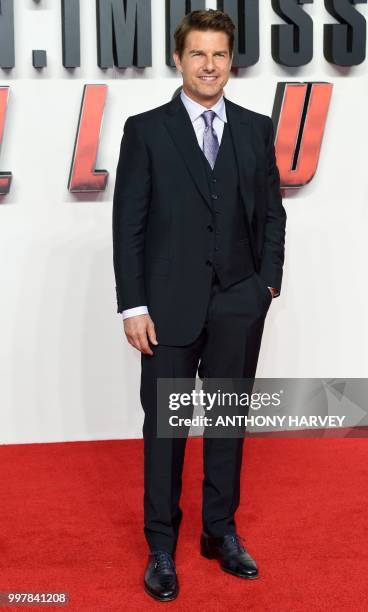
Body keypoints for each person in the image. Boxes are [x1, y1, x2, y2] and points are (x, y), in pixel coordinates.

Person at [112, 8, 286, 602]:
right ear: (178, 60)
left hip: (240, 301)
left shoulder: (256, 128)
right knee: (166, 428)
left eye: (218, 55)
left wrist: (266, 285)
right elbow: (127, 227)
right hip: (166, 309)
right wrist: (132, 306)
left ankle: (220, 533)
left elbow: (271, 215)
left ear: (230, 62)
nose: (209, 66)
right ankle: (162, 544)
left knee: (227, 422)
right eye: (197, 55)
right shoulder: (147, 130)